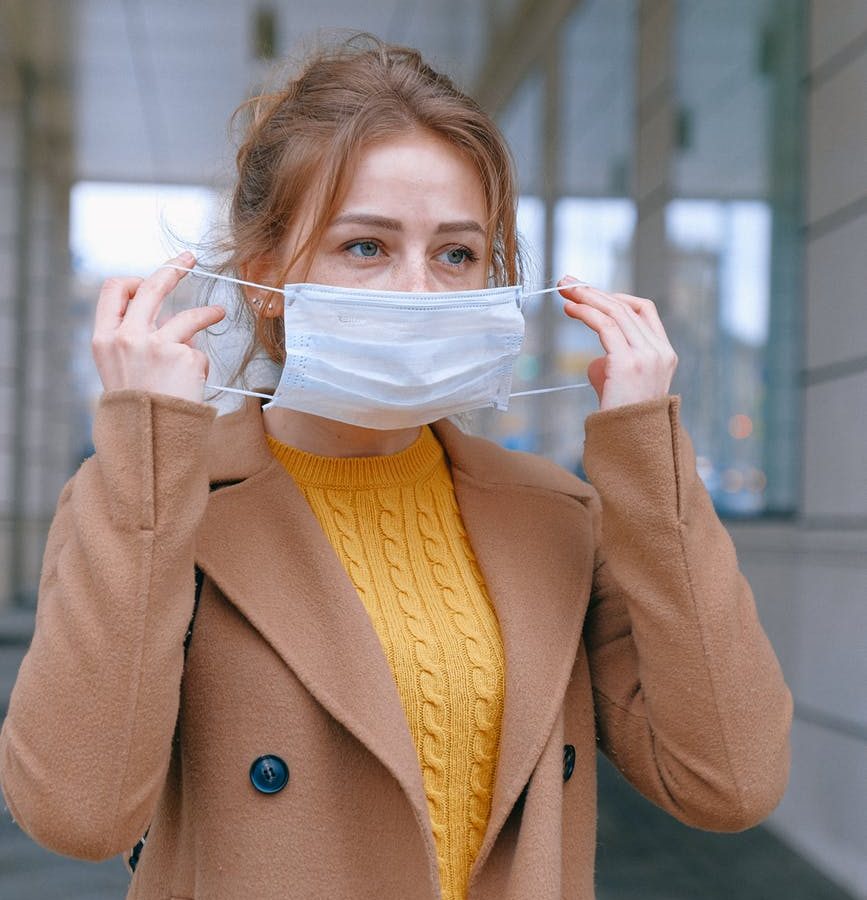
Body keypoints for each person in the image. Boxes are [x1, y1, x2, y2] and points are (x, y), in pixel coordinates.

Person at [0, 35, 792, 900]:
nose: (419, 291)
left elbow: (731, 782)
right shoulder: (157, 500)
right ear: (266, 279)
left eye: (456, 255)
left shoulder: (555, 513)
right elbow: (78, 815)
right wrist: (146, 450)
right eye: (366, 247)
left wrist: (648, 457)